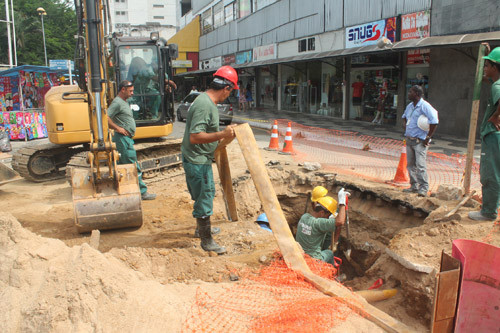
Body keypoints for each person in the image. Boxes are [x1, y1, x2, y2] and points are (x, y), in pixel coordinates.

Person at [181, 65, 239, 254]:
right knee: (204, 196)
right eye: (230, 92)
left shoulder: (206, 102)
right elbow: (195, 136)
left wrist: (223, 136)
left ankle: (201, 229)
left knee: (205, 193)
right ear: (226, 88)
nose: (228, 96)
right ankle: (206, 241)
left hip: (201, 158)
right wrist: (222, 133)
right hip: (197, 160)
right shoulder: (205, 104)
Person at [107, 80, 156, 200]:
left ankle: (123, 190)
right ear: (122, 89)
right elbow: (106, 117)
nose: (132, 93)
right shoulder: (117, 103)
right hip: (122, 139)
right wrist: (118, 128)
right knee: (132, 164)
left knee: (123, 165)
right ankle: (142, 192)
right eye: (130, 91)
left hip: (126, 139)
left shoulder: (124, 101)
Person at [469, 45, 500, 221]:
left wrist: (496, 115)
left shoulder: (497, 86)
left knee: (490, 174)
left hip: (493, 137)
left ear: (495, 68)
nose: (485, 69)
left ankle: (488, 212)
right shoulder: (496, 82)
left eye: (487, 66)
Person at [402, 85, 439, 197]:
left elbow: (434, 121)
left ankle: (423, 188)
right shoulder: (410, 106)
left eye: (410, 92)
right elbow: (404, 117)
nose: (408, 94)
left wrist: (428, 137)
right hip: (409, 139)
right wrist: (406, 127)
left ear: (417, 94)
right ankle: (414, 186)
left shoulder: (425, 106)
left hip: (420, 141)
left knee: (420, 165)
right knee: (410, 165)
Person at [295, 189, 348, 265]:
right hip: (313, 259)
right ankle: (332, 272)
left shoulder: (304, 216)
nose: (328, 218)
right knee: (329, 253)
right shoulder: (319, 223)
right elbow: (340, 221)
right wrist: (342, 203)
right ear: (322, 213)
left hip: (300, 253)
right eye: (328, 215)